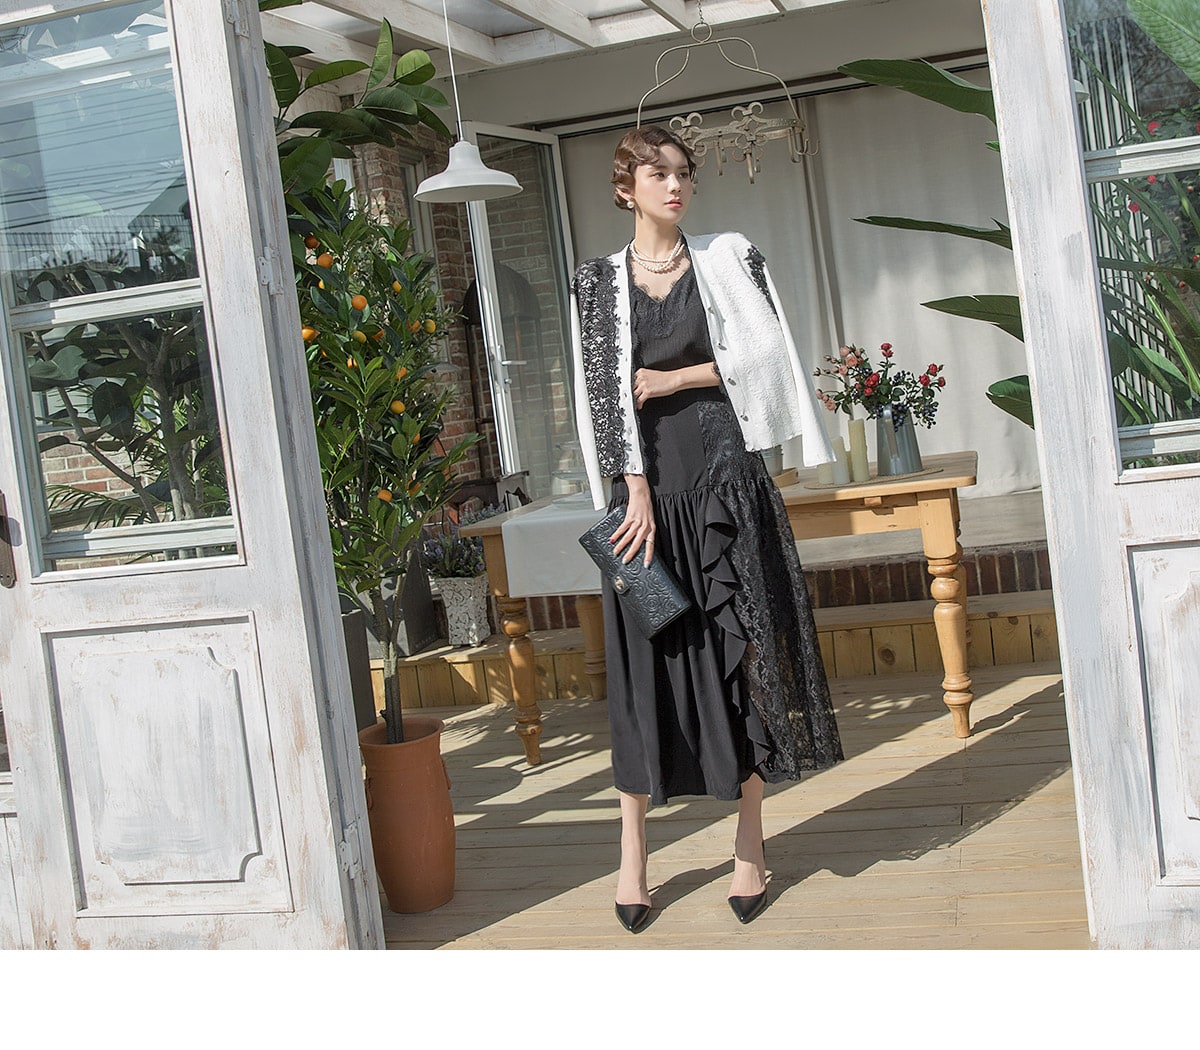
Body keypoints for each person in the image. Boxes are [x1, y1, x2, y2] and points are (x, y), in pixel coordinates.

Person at [569, 125, 845, 934]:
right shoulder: (596, 282)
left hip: (726, 483)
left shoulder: (727, 258)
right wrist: (632, 490)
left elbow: (770, 359)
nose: (675, 185)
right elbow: (600, 395)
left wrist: (676, 378)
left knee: (744, 652)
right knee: (641, 670)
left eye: (683, 172)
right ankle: (632, 857)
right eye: (658, 173)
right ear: (625, 188)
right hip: (647, 494)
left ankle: (749, 843)